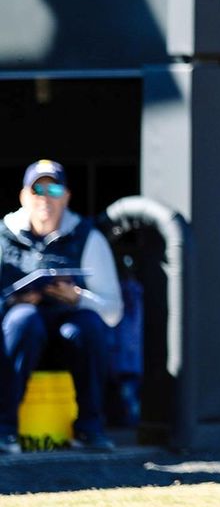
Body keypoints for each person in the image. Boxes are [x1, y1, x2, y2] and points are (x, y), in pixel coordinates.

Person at [0, 160, 123, 454]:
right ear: (23, 197)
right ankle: (5, 430)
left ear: (66, 196)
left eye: (54, 188)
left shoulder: (88, 236)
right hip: (21, 334)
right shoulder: (4, 235)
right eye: (37, 189)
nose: (45, 197)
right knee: (24, 320)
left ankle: (89, 429)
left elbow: (113, 313)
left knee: (87, 326)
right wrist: (11, 300)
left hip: (68, 337)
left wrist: (79, 297)